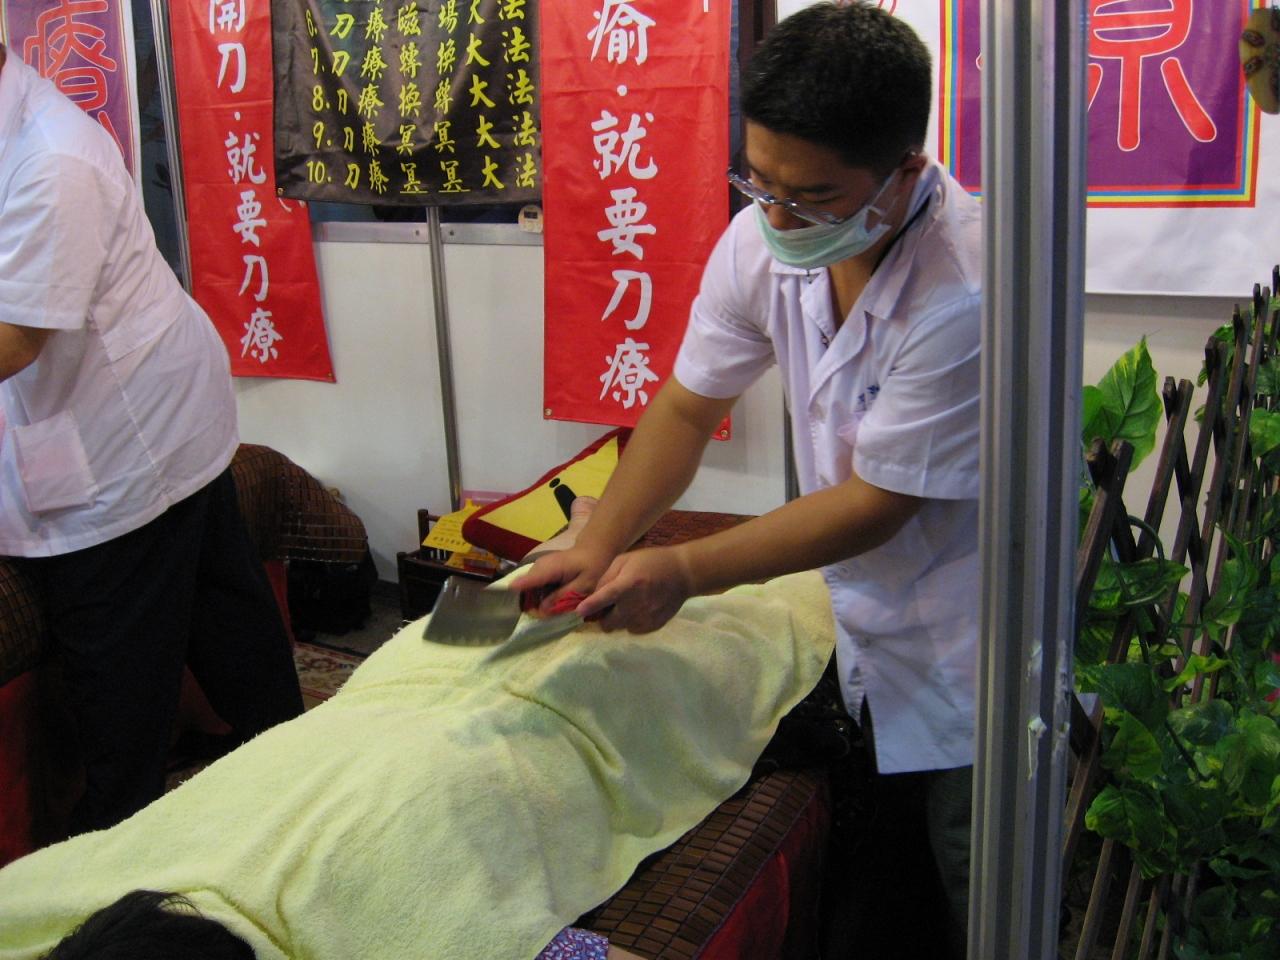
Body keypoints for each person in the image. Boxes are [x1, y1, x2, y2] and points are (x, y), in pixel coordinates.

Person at [514, 3, 980, 954]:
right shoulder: (762, 239)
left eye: (811, 198)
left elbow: (877, 503)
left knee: (974, 865)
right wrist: (600, 542)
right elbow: (687, 408)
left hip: (973, 621)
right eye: (758, 181)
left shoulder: (963, 293)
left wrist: (685, 570)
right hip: (866, 612)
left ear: (903, 173)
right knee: (882, 870)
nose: (776, 218)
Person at [0, 499, 836, 960]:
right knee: (661, 641)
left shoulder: (98, 891)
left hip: (406, 701)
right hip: (506, 722)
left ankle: (582, 536)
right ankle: (586, 538)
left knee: (537, 613)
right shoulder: (98, 885)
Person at [0, 42, 303, 833]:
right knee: (222, 608)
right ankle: (296, 774)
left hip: (125, 441)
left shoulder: (50, 157)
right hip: (144, 410)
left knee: (118, 676)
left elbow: (15, 340)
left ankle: (123, 846)